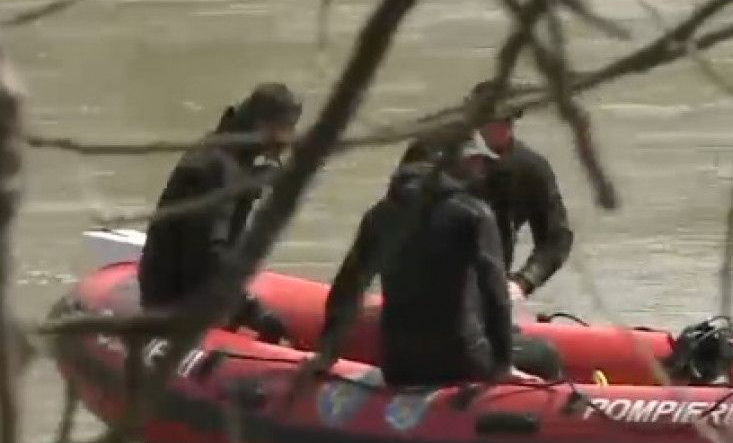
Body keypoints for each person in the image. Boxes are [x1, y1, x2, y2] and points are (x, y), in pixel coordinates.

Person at [313, 130, 560, 386]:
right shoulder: (475, 214)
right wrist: (504, 365)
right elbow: (495, 293)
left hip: (398, 366)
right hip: (463, 362)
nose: (481, 170)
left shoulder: (379, 215)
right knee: (545, 354)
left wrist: (327, 353)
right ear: (450, 164)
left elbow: (348, 288)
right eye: (474, 162)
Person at [137, 82, 301, 344]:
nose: (289, 139)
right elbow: (205, 258)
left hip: (182, 289)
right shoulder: (217, 170)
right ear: (263, 126)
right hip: (174, 304)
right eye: (286, 128)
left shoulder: (223, 155)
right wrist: (251, 312)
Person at [402, 79, 574, 305]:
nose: (499, 128)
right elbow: (395, 214)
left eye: (506, 120)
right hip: (423, 284)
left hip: (486, 290)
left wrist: (523, 282)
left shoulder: (530, 169)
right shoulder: (428, 152)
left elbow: (556, 237)